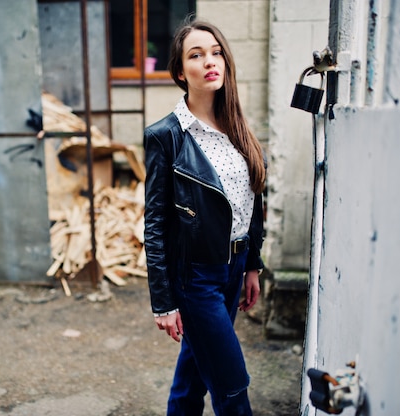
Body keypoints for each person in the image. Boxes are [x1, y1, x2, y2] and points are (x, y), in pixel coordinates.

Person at [143, 18, 267, 416]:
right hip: (195, 278)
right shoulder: (167, 136)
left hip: (234, 268)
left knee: (193, 376)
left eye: (216, 53)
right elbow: (156, 224)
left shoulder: (237, 127)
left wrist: (252, 266)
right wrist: (163, 303)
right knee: (232, 388)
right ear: (181, 72)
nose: (210, 61)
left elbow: (252, 200)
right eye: (196, 55)